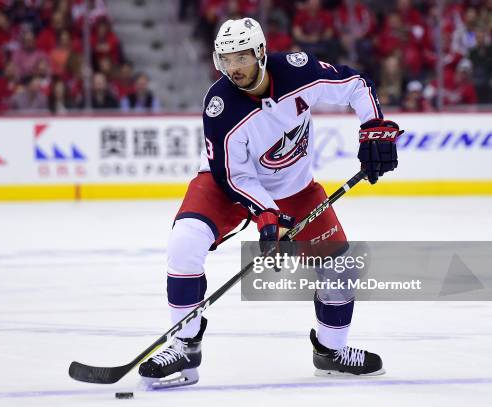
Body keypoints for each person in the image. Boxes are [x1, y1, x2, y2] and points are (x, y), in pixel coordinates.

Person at [138, 18, 402, 389]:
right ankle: (184, 347)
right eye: (226, 59)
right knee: (185, 242)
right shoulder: (220, 105)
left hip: (294, 187)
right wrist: (266, 214)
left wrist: (374, 127)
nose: (234, 68)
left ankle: (330, 351)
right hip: (226, 184)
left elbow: (356, 86)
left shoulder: (298, 72)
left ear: (261, 52)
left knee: (341, 267)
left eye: (242, 57)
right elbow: (233, 176)